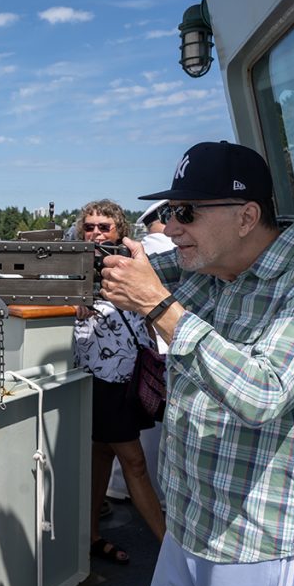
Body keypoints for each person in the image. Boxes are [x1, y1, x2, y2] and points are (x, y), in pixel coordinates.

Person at [99, 141, 294, 586]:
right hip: (190, 524)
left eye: (186, 212)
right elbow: (104, 270)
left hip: (257, 542)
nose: (171, 226)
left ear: (246, 217)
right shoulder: (208, 270)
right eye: (171, 211)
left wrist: (160, 308)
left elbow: (262, 394)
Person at [72, 199, 167, 565]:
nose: (96, 233)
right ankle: (168, 547)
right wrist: (71, 303)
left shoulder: (132, 267)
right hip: (100, 380)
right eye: (90, 226)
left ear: (120, 231)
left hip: (128, 378)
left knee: (102, 453)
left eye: (104, 227)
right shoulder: (72, 268)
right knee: (135, 462)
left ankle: (90, 536)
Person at [107, 200, 174, 505]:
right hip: (152, 361)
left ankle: (120, 490)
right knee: (152, 435)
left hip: (131, 367)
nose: (176, 227)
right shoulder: (163, 252)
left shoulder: (143, 252)